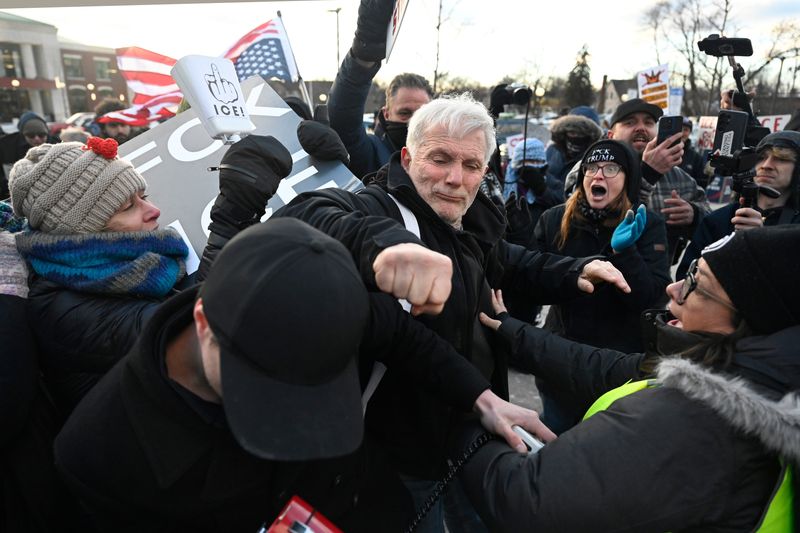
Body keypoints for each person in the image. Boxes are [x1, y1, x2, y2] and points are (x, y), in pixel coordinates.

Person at [54, 218, 552, 532]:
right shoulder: (98, 451)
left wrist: (482, 397)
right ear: (205, 323)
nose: (295, 418)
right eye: (267, 386)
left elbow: (404, 336)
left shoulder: (333, 305)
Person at [275, 93, 631, 532]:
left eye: (471, 166)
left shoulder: (470, 219)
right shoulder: (381, 205)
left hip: (476, 428)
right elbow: (303, 217)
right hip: (402, 450)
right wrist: (388, 245)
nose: (454, 179)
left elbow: (511, 261)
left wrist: (575, 270)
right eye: (440, 159)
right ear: (406, 157)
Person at [464, 225, 800, 531]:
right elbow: (596, 366)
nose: (674, 287)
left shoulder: (698, 421)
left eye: (697, 283)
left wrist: (463, 413)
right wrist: (513, 330)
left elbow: (527, 499)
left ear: (749, 323)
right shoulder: (744, 377)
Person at [8, 133, 296, 414]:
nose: (154, 210)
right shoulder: (63, 309)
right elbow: (194, 334)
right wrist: (232, 217)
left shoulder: (140, 265)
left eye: (144, 196)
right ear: (81, 232)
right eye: (127, 207)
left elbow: (189, 298)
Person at [532, 139, 670, 432]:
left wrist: (626, 252)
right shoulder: (554, 219)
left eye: (610, 169)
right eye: (591, 168)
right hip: (562, 363)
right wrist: (520, 238)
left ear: (627, 180)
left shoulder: (646, 223)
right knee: (555, 442)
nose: (598, 176)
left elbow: (649, 298)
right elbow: (533, 285)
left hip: (616, 367)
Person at [565, 98, 711, 263]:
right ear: (611, 135)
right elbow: (578, 219)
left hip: (656, 280)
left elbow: (711, 223)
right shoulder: (588, 169)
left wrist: (694, 215)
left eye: (648, 123)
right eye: (629, 122)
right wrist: (648, 174)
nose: (641, 128)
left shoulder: (677, 176)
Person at [328, 0, 433, 179]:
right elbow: (343, 115)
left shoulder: (445, 159)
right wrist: (365, 52)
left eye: (422, 114)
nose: (414, 122)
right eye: (405, 113)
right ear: (386, 114)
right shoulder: (368, 153)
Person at [677, 130, 800, 280]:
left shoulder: (796, 228)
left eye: (781, 159)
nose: (766, 165)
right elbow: (685, 280)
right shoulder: (719, 220)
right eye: (761, 158)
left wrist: (762, 244)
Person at [0, 111, 60, 199]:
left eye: (41, 135)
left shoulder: (57, 144)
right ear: (23, 135)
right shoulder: (6, 145)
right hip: (12, 195)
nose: (37, 139)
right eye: (31, 135)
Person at [546, 111, 603, 183]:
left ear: (590, 136)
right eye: (572, 133)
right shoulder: (553, 150)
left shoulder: (594, 159)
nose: (576, 137)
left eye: (581, 133)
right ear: (564, 133)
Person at [679, 117, 709, 187]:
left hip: (684, 196)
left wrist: (708, 175)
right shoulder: (663, 150)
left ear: (690, 132)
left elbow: (701, 185)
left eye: (685, 130)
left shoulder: (696, 157)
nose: (681, 133)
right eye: (679, 129)